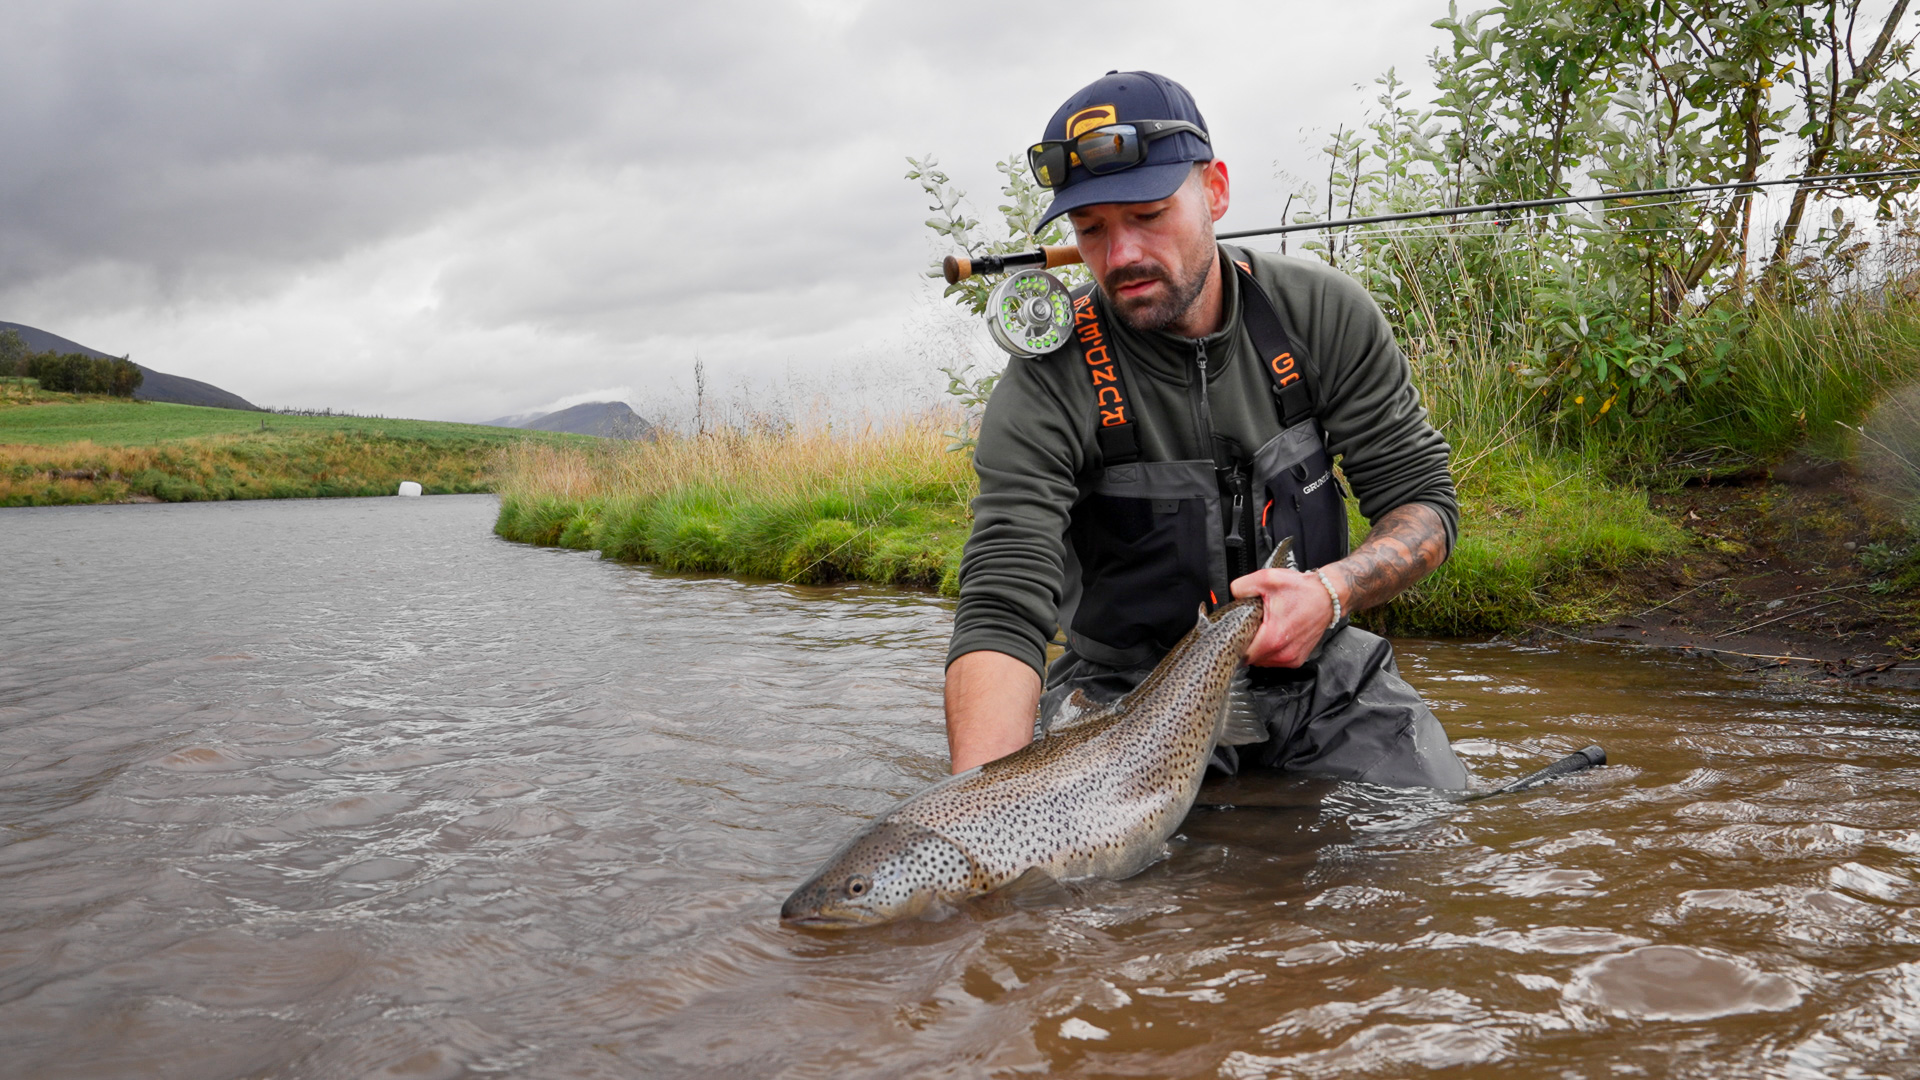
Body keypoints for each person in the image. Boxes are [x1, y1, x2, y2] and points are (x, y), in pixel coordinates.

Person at [943, 71, 1469, 790]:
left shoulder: (1324, 316)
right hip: (1122, 702)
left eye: (1148, 214)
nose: (1120, 254)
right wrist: (980, 806)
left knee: (1421, 834)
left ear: (1215, 191)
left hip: (1322, 675)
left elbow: (1424, 507)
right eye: (1091, 229)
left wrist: (1332, 594)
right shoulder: (1047, 379)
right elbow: (1003, 601)